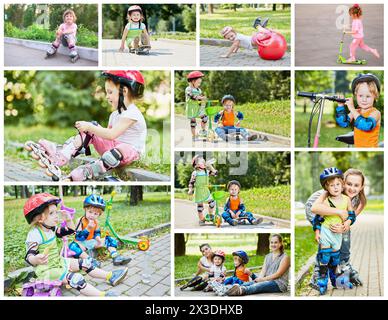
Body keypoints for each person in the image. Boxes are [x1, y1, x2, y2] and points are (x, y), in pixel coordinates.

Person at [26, 70, 147, 181]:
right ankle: (61, 155)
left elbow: (111, 135)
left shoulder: (132, 113)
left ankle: (85, 172)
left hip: (129, 153)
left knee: (114, 147)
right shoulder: (115, 115)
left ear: (124, 91)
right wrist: (90, 129)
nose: (107, 96)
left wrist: (89, 127)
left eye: (110, 92)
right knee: (93, 128)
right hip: (114, 148)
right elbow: (107, 136)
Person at [23, 193, 128, 296]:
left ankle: (110, 276)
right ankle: (102, 295)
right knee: (76, 279)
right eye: (51, 213)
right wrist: (36, 259)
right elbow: (29, 256)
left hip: (58, 262)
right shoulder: (35, 234)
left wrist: (68, 219)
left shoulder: (51, 228)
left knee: (85, 263)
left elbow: (70, 230)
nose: (56, 215)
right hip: (47, 270)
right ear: (39, 218)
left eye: (56, 212)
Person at [305, 168, 366, 289]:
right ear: (343, 183)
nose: (351, 188)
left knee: (343, 235)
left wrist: (345, 225)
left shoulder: (358, 200)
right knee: (326, 239)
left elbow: (349, 219)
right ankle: (318, 274)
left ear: (362, 187)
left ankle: (343, 265)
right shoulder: (329, 192)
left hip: (335, 218)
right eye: (349, 184)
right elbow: (315, 208)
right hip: (317, 211)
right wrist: (338, 212)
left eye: (356, 185)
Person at [311, 168, 354, 294]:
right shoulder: (325, 200)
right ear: (326, 187)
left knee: (335, 258)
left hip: (338, 234)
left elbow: (351, 215)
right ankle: (322, 281)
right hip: (326, 231)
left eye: (337, 184)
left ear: (342, 185)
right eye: (331, 185)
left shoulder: (347, 200)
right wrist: (317, 231)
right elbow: (318, 218)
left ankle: (335, 280)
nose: (335, 187)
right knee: (325, 257)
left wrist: (347, 222)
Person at [69, 194, 131, 266]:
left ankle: (115, 256)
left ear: (99, 215)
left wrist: (97, 238)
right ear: (85, 209)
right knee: (72, 247)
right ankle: (90, 260)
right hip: (82, 243)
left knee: (109, 239)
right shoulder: (80, 220)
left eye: (95, 214)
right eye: (90, 212)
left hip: (92, 242)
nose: (92, 215)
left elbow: (97, 232)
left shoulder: (96, 222)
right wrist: (87, 229)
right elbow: (78, 237)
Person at [336, 73, 381, 148]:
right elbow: (343, 123)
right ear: (356, 96)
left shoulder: (375, 113)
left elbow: (366, 125)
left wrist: (352, 109)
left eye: (368, 96)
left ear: (375, 97)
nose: (364, 99)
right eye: (360, 96)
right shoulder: (356, 111)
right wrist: (340, 106)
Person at [188, 155, 218, 225]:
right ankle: (201, 220)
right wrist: (190, 189)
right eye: (202, 162)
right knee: (200, 207)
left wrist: (210, 166)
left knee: (212, 203)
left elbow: (215, 173)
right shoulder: (195, 173)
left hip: (206, 191)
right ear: (196, 164)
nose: (204, 162)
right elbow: (191, 182)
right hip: (199, 192)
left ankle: (211, 216)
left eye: (204, 162)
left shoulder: (206, 172)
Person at [185, 71, 208, 140]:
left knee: (205, 118)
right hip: (191, 108)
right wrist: (200, 98)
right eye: (198, 83)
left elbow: (200, 98)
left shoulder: (199, 89)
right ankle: (194, 135)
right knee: (193, 122)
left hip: (198, 107)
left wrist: (203, 100)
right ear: (192, 81)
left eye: (200, 83)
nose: (199, 84)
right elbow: (192, 96)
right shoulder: (188, 89)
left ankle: (203, 131)